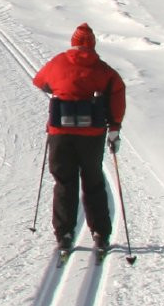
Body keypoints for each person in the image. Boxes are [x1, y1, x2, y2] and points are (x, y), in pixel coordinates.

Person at [32, 23, 126, 254]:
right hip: (91, 135)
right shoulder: (103, 70)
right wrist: (114, 128)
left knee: (64, 181)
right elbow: (117, 93)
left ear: (73, 43)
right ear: (93, 44)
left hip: (60, 132)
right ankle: (100, 234)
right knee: (93, 181)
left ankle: (64, 234)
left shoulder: (58, 62)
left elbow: (39, 81)